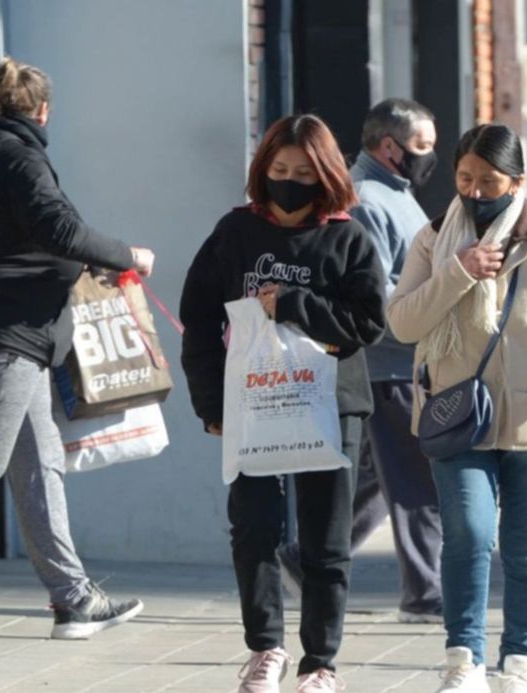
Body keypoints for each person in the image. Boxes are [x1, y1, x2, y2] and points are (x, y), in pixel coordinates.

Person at [0, 57, 154, 642]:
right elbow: (58, 229)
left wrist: (79, 259)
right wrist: (124, 255)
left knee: (40, 463)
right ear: (42, 110)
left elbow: (13, 240)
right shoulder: (18, 157)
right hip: (2, 337)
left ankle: (73, 598)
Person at [387, 124, 527, 693]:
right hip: (455, 417)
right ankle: (463, 662)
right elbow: (404, 321)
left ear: (517, 181)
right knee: (468, 532)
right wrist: (459, 271)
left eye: (490, 181)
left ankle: (520, 664)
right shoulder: (434, 240)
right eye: (465, 179)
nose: (477, 192)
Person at [181, 114, 387, 693]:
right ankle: (264, 650)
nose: (289, 181)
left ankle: (320, 663)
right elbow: (198, 319)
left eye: (301, 171)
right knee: (255, 529)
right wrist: (210, 405)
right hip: (252, 403)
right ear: (261, 170)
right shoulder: (234, 232)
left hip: (331, 405)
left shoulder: (347, 236)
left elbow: (368, 322)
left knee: (325, 540)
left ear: (325, 174)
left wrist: (294, 303)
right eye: (278, 169)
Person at [278, 99, 444, 624]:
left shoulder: (396, 195)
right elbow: (376, 293)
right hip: (389, 362)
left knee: (377, 476)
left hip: (398, 359)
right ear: (388, 147)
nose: (429, 157)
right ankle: (426, 593)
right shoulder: (370, 200)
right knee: (420, 478)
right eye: (422, 147)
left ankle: (304, 561)